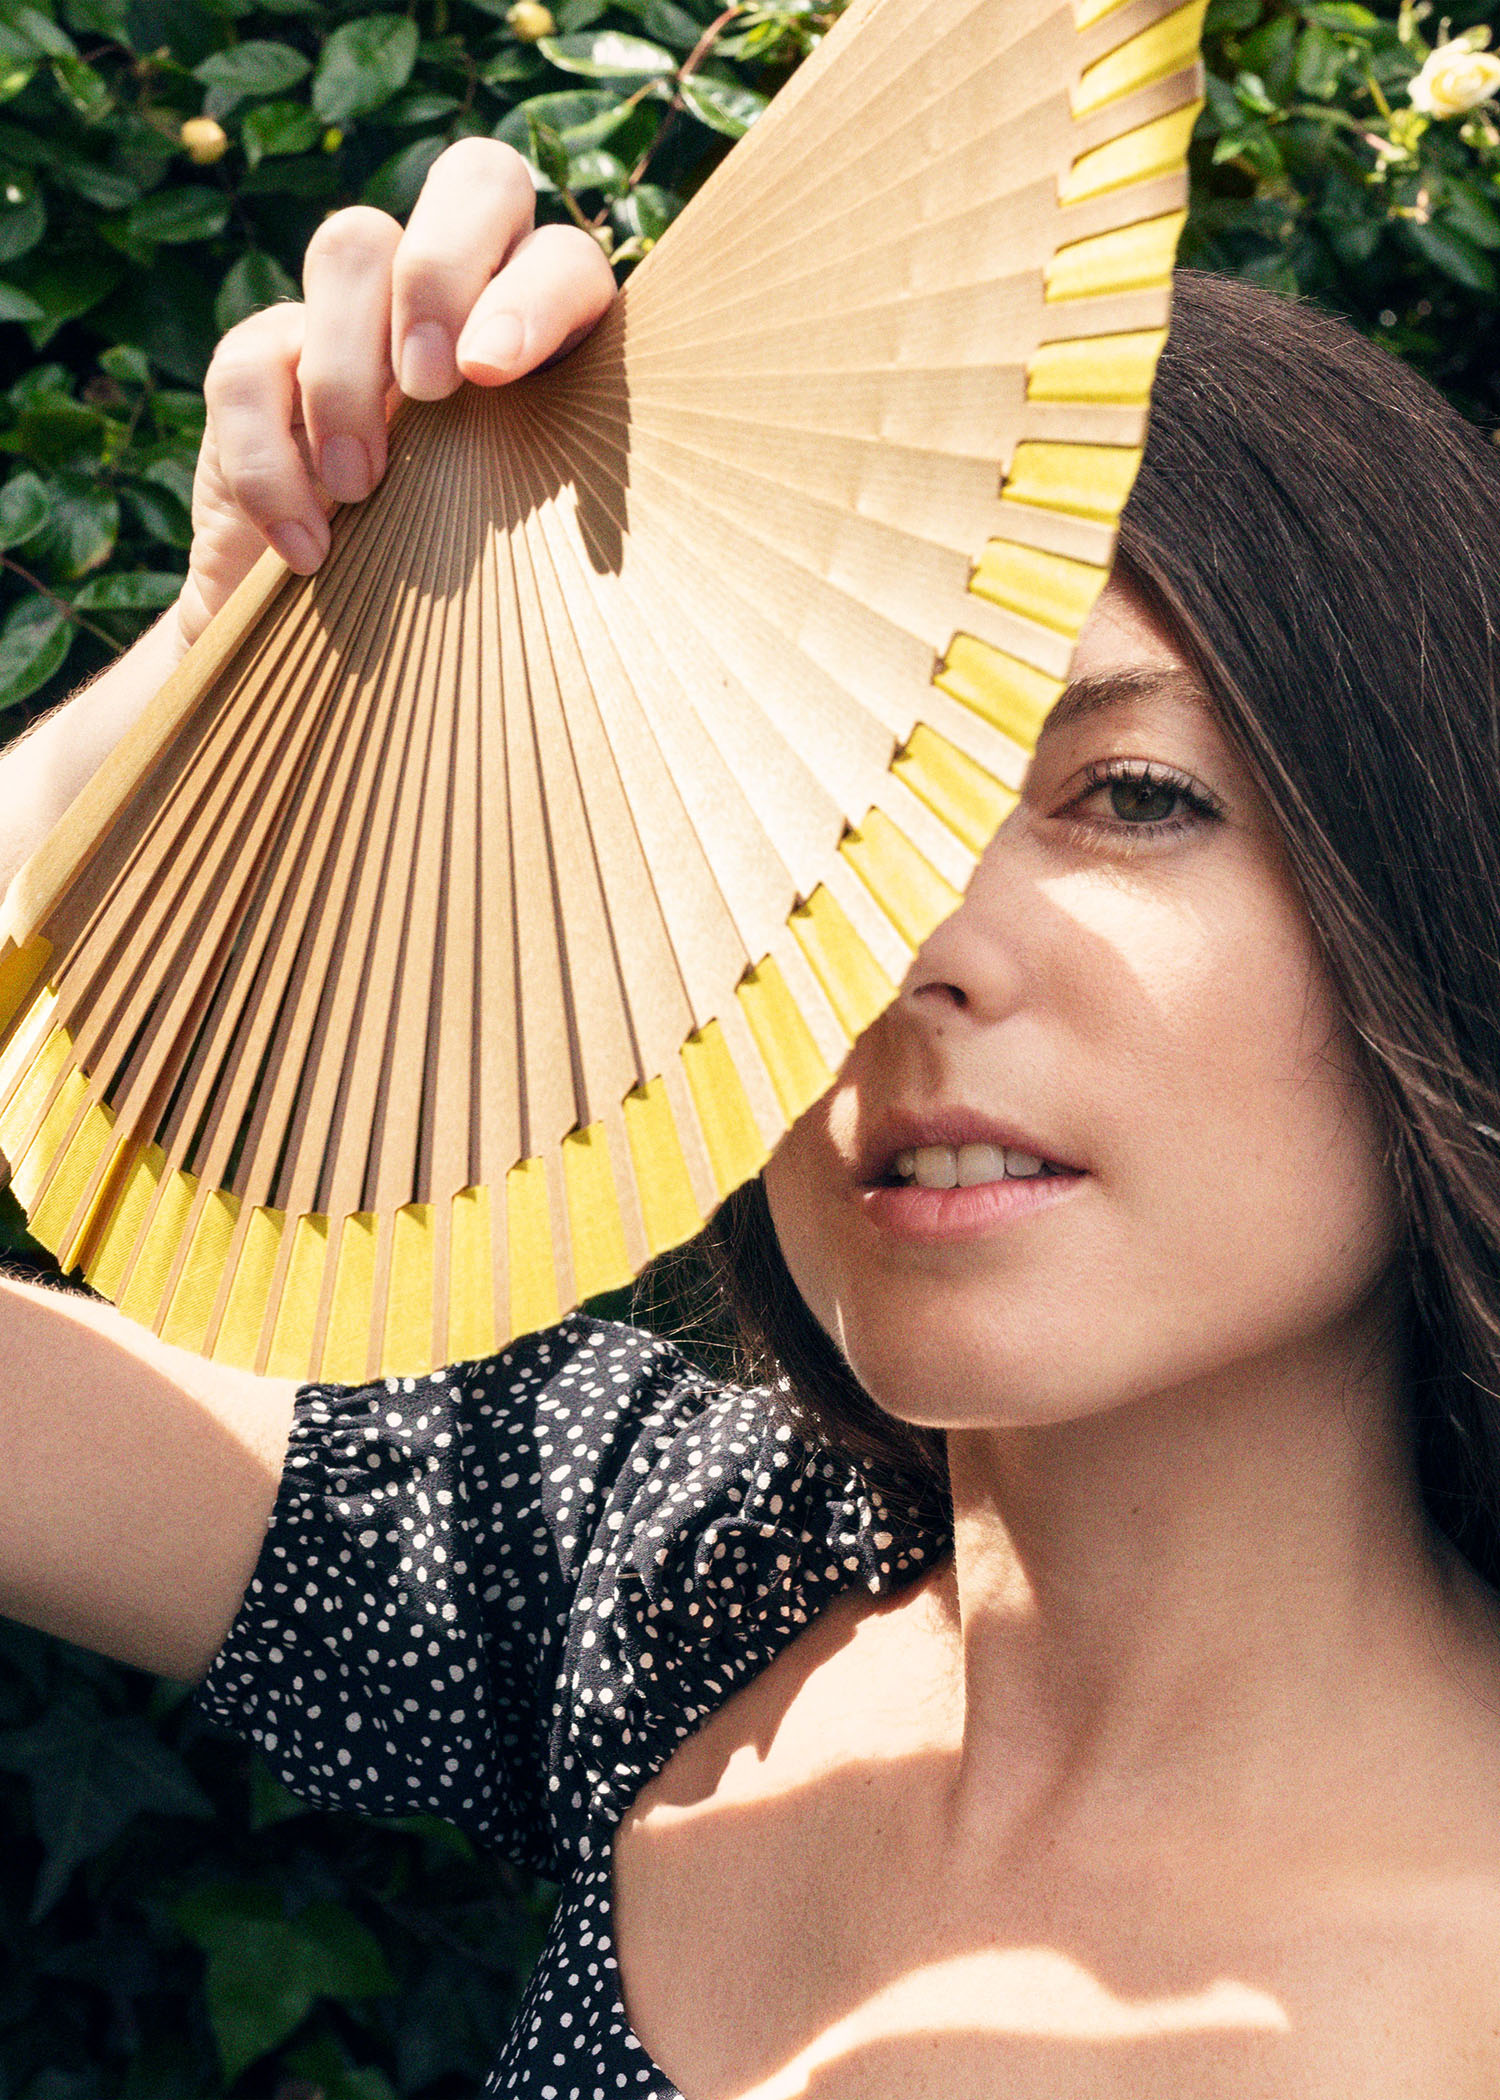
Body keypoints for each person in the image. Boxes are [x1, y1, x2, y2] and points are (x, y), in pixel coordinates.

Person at [2, 138, 1500, 2099]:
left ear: (1427, 890)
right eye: (823, 826)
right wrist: (221, 676)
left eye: (1131, 796)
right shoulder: (676, 1577)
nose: (897, 945)